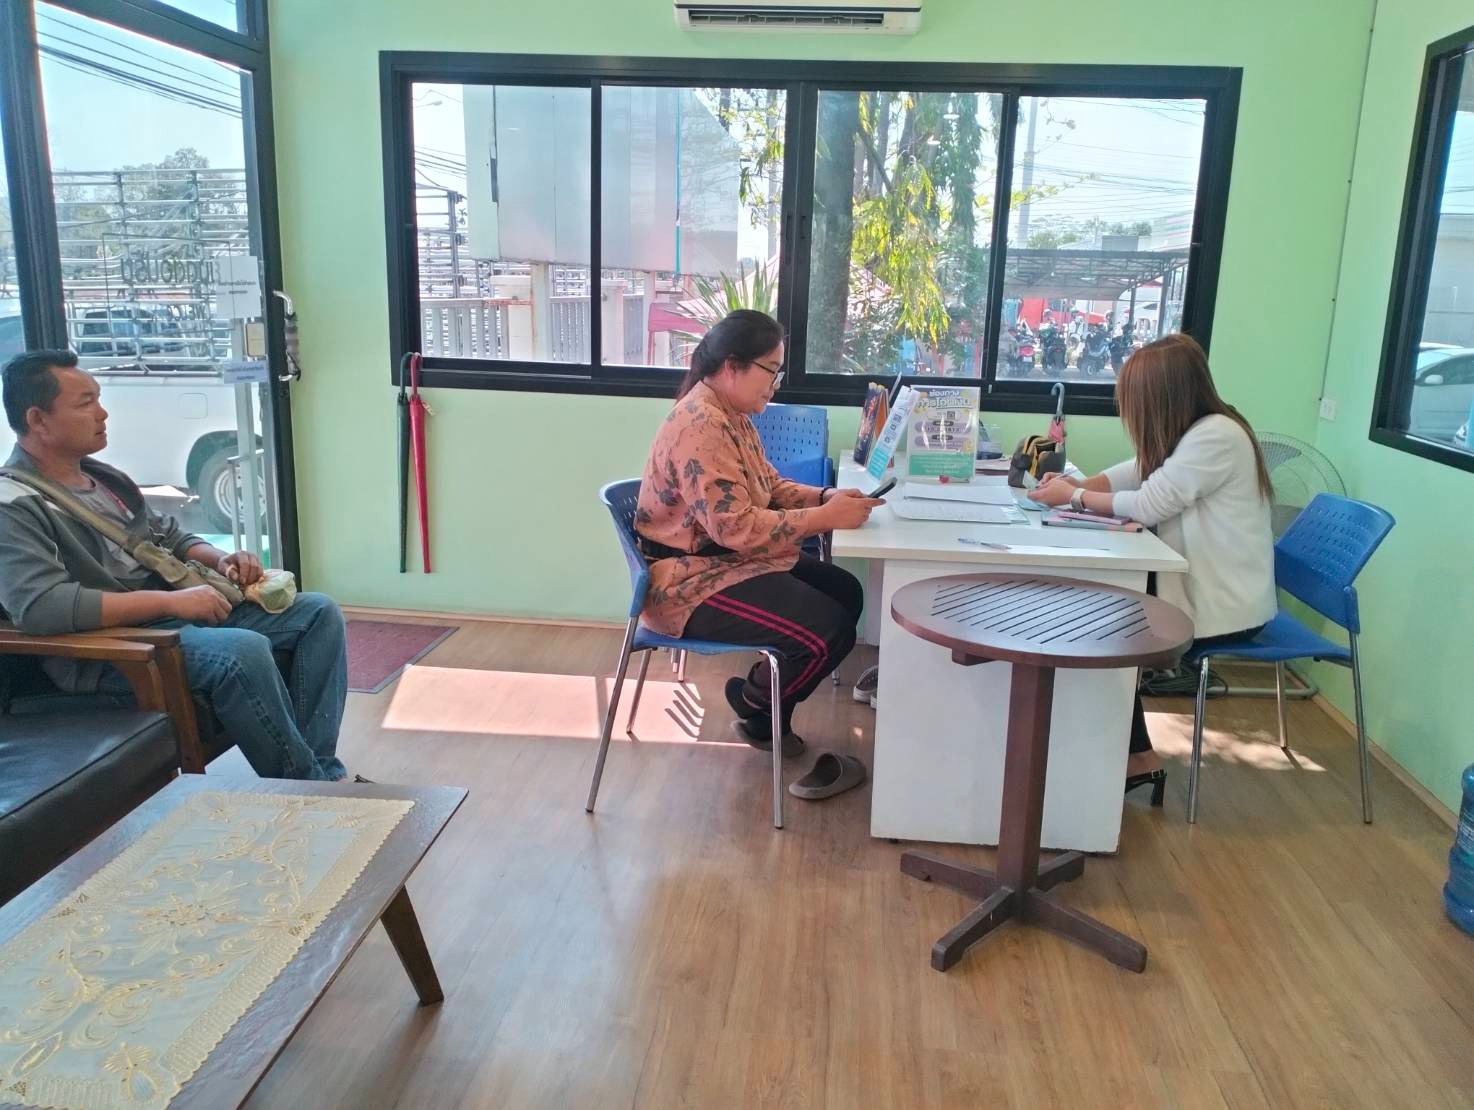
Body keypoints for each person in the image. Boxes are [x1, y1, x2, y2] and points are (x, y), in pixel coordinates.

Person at [0, 349, 353, 781]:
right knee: (241, 651)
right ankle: (307, 787)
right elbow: (41, 607)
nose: (103, 413)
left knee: (318, 613)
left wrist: (221, 560)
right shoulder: (13, 503)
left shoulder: (105, 480)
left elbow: (170, 538)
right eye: (85, 403)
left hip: (173, 620)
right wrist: (174, 603)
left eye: (99, 399)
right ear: (38, 420)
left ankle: (322, 773)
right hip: (116, 648)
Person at [1027, 333, 1275, 802]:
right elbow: (1140, 469)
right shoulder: (1196, 431)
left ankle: (1135, 757)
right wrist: (1081, 483)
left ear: (1163, 396)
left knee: (1094, 628)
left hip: (1225, 605)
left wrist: (1075, 497)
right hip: (1195, 587)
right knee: (1089, 617)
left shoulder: (1216, 436)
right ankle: (1118, 751)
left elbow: (1149, 502)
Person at [635, 310, 883, 756]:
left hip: (725, 561)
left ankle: (760, 708)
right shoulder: (701, 425)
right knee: (829, 632)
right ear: (733, 366)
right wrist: (827, 517)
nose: (775, 384)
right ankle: (756, 704)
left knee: (846, 593)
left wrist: (825, 497)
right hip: (687, 581)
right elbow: (736, 526)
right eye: (771, 370)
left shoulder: (731, 413)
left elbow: (769, 486)